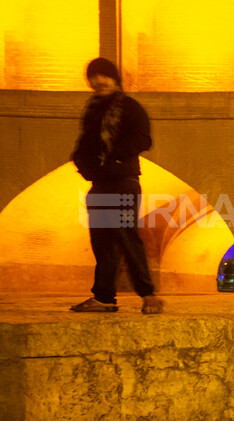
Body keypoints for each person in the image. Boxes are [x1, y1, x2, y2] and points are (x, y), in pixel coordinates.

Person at [70, 58, 163, 314]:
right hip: (100, 183)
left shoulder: (130, 108)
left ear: (115, 79)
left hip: (123, 182)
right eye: (93, 77)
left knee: (125, 237)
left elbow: (144, 138)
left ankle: (148, 295)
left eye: (104, 76)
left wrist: (115, 156)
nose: (99, 82)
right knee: (101, 242)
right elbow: (84, 144)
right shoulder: (93, 110)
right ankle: (103, 298)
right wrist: (85, 166)